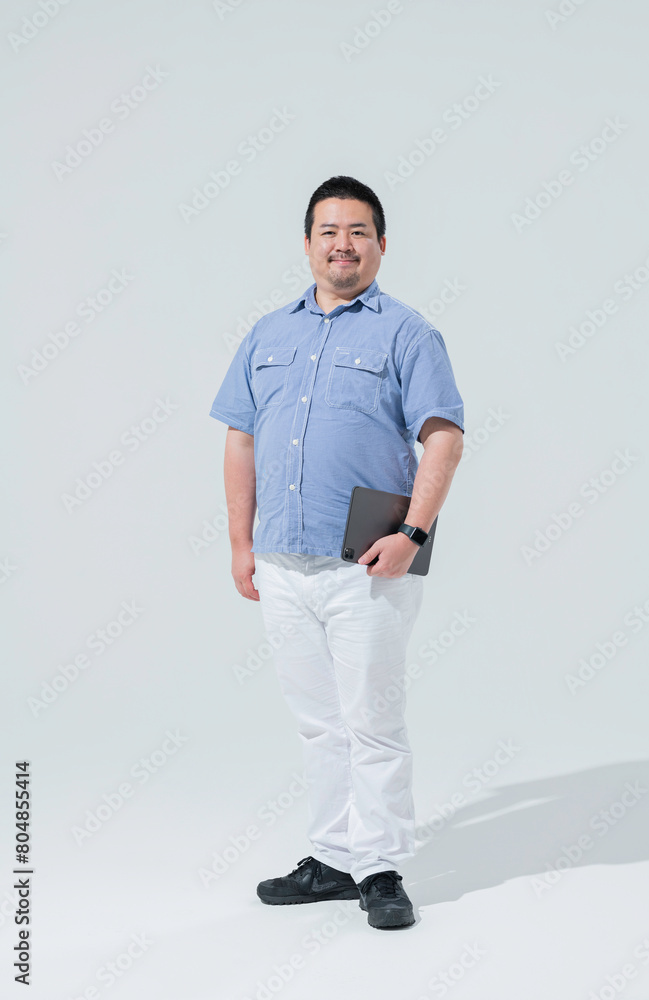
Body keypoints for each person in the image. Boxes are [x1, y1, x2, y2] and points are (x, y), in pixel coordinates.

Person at [209, 175, 465, 929]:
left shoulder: (408, 334)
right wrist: (240, 544)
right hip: (282, 563)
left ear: (381, 244)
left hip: (367, 563)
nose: (342, 244)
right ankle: (330, 858)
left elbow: (443, 437)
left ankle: (379, 868)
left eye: (357, 231)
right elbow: (241, 438)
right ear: (307, 243)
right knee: (319, 724)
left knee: (372, 722)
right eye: (328, 231)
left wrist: (412, 534)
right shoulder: (267, 335)